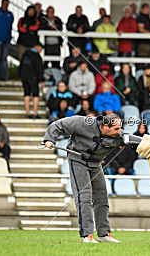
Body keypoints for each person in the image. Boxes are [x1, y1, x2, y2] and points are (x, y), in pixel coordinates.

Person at [43, 113, 125, 243]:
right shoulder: (82, 122)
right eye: (116, 129)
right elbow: (58, 125)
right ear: (104, 126)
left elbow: (137, 141)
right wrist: (49, 139)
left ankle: (104, 234)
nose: (119, 132)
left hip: (95, 163)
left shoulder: (119, 134)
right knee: (84, 198)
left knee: (102, 197)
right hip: (77, 161)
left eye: (120, 128)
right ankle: (88, 235)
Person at [19, 43, 45, 119]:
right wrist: (42, 80)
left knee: (26, 94)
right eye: (41, 49)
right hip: (34, 78)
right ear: (37, 47)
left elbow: (20, 67)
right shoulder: (36, 56)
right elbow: (39, 69)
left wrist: (21, 76)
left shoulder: (25, 55)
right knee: (35, 95)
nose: (40, 51)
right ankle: (35, 113)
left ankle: (27, 113)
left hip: (24, 78)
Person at [136, 3, 150, 69]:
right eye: (148, 8)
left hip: (149, 42)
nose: (149, 10)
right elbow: (141, 29)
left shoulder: (147, 17)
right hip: (143, 43)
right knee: (142, 62)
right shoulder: (141, 17)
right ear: (144, 8)